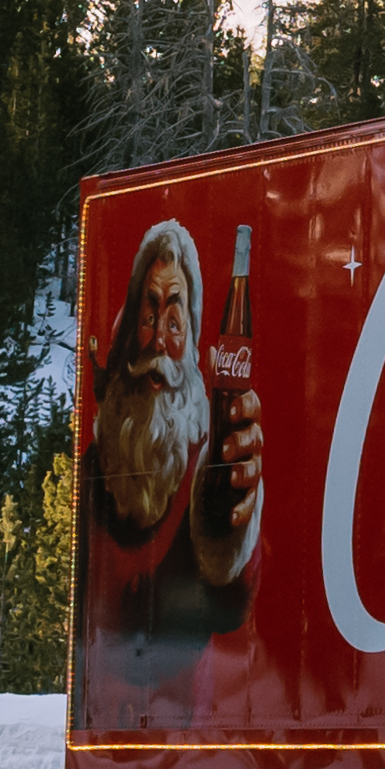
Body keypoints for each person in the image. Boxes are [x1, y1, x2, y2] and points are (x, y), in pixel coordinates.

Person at [87, 222, 259, 663]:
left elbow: (235, 601)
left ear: (193, 342)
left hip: (191, 700)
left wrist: (235, 523)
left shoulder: (208, 462)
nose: (160, 342)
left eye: (174, 323)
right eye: (148, 320)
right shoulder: (95, 468)